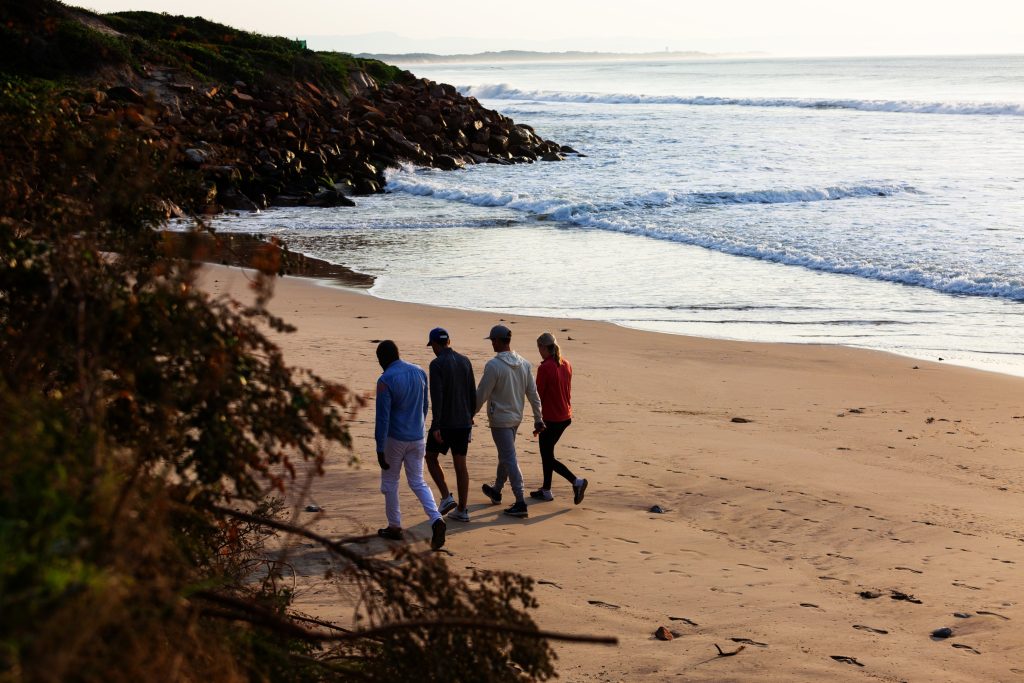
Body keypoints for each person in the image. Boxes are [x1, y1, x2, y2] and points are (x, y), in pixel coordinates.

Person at [373, 340, 445, 550]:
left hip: (395, 439)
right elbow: (424, 405)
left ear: (383, 359)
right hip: (417, 437)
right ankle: (436, 518)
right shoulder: (419, 372)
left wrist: (379, 448)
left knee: (390, 482)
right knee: (418, 482)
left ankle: (394, 525)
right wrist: (419, 428)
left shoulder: (385, 380)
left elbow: (383, 418)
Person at [475, 324, 545, 518]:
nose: (492, 344)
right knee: (506, 454)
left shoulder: (493, 366)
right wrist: (538, 418)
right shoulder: (524, 364)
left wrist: (469, 414)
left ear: (498, 341)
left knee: (509, 457)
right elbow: (533, 394)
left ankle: (520, 500)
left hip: (500, 420)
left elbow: (481, 394)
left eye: (492, 341)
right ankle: (496, 489)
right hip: (515, 418)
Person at [424, 327, 477, 523]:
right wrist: (470, 415)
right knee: (460, 465)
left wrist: (436, 425)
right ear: (449, 341)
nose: (433, 350)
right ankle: (462, 509)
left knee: (430, 457)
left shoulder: (436, 364)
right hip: (464, 421)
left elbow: (437, 396)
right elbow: (473, 392)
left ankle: (446, 497)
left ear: (436, 344)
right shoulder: (465, 361)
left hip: (445, 422)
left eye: (433, 346)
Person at [531, 332, 588, 505]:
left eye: (539, 348)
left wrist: (537, 419)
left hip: (551, 418)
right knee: (547, 452)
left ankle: (576, 482)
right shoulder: (566, 364)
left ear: (543, 347)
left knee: (547, 456)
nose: (539, 351)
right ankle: (546, 489)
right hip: (565, 416)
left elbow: (538, 395)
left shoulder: (545, 368)